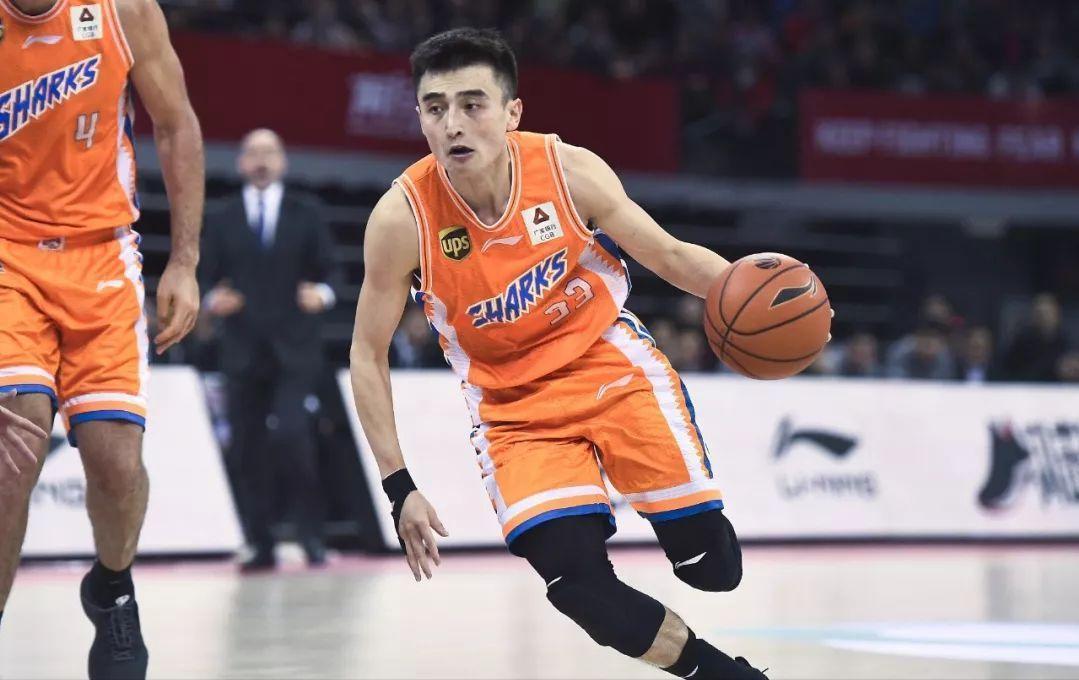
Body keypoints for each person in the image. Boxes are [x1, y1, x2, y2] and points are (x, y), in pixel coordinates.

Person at [349, 28, 768, 679]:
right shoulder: (401, 218)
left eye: (472, 104)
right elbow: (366, 354)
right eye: (435, 108)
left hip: (607, 364)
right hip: (512, 409)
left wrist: (762, 293)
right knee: (579, 588)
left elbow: (668, 255)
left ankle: (694, 530)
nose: (452, 124)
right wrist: (398, 486)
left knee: (713, 569)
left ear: (512, 112)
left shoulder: (567, 170)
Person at [0, 0, 203, 677]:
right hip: (7, 255)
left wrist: (184, 262)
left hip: (102, 256)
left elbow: (175, 123)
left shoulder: (123, 10)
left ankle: (111, 589)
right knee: (15, 440)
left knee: (117, 465)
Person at [201, 129, 338, 571]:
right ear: (241, 162)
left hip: (295, 350)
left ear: (282, 161)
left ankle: (311, 536)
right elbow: (204, 275)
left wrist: (322, 294)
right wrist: (211, 299)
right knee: (247, 447)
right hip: (241, 350)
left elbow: (332, 271)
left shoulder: (307, 212)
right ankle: (260, 542)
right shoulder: (221, 216)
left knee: (294, 436)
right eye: (253, 153)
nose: (261, 160)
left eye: (270, 152)